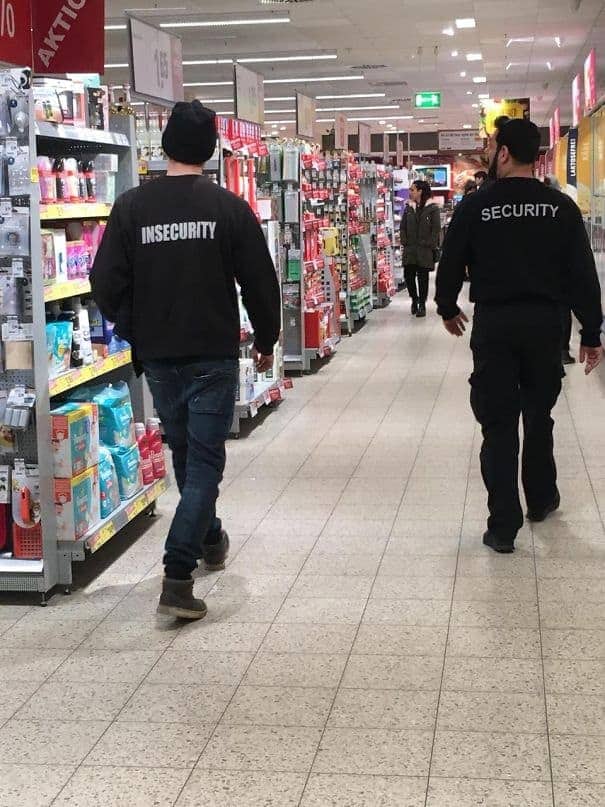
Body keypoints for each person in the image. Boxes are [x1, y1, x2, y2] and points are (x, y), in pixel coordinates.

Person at [91, 101, 281, 618]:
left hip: (159, 359)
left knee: (186, 455)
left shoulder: (131, 207)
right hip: (211, 357)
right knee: (204, 464)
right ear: (211, 150)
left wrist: (134, 328)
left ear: (166, 147)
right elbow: (261, 282)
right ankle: (177, 575)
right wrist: (267, 338)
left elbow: (104, 282)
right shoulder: (227, 209)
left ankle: (211, 537)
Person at [435, 118, 603, 553]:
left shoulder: (476, 206)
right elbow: (582, 273)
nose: (489, 153)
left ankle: (503, 525)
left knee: (499, 423)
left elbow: (451, 261)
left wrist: (448, 307)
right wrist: (591, 331)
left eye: (492, 147)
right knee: (539, 414)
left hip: (495, 325)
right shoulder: (561, 208)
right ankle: (542, 499)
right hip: (547, 326)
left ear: (505, 153)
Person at [545, 176, 576, 365]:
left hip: (550, 270)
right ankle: (562, 349)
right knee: (563, 310)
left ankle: (560, 348)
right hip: (560, 269)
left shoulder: (540, 205)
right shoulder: (565, 205)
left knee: (560, 310)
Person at [401, 180, 441, 317]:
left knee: (423, 278)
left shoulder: (432, 208)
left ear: (420, 191)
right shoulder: (408, 208)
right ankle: (414, 299)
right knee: (409, 276)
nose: (410, 192)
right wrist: (404, 241)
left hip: (424, 249)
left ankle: (422, 304)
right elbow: (403, 227)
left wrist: (430, 243)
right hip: (410, 249)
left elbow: (436, 229)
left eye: (412, 190)